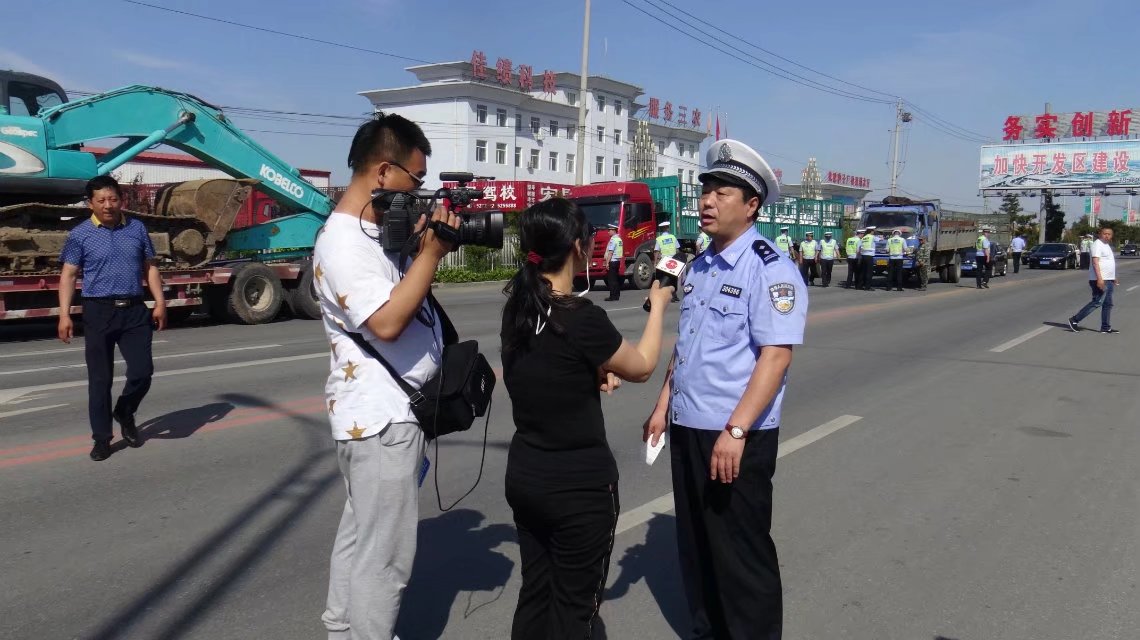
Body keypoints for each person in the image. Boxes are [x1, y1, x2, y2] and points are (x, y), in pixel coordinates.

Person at [644, 139, 807, 640]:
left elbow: (776, 356)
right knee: (696, 544)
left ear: (752, 204)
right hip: (689, 424)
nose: (708, 201)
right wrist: (664, 402)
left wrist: (736, 430)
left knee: (740, 552)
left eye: (723, 192)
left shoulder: (771, 269)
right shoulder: (701, 266)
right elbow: (688, 345)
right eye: (706, 190)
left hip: (735, 433)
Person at [315, 113, 461, 640]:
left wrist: (420, 249)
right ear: (383, 172)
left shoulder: (371, 235)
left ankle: (343, 631)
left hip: (385, 417)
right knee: (386, 560)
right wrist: (434, 253)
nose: (419, 194)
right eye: (415, 181)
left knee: (361, 537)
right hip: (381, 421)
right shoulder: (343, 244)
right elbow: (389, 321)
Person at [501, 198, 673, 639]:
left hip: (527, 476)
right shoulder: (580, 317)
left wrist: (587, 373)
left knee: (536, 594)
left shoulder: (519, 308)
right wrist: (658, 307)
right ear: (579, 247)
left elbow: (544, 371)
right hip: (577, 489)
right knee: (574, 610)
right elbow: (642, 366)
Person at [58, 175, 167, 462]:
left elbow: (150, 268)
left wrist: (160, 301)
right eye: (101, 200)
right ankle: (102, 439)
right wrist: (64, 315)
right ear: (90, 203)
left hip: (134, 310)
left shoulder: (137, 229)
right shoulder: (79, 235)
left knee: (142, 372)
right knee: (100, 380)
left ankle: (125, 411)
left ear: (122, 200)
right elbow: (68, 276)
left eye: (113, 199)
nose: (108, 205)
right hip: (98, 311)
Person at [1068, 227, 1120, 334]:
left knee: (1108, 304)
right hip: (1099, 279)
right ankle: (1075, 320)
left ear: (1112, 236)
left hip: (1108, 279)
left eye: (1109, 234)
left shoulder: (1106, 246)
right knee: (1097, 302)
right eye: (1104, 233)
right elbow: (1095, 262)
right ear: (1100, 234)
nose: (1107, 236)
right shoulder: (1097, 244)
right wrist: (1099, 279)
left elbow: (1108, 262)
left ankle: (1105, 327)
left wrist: (1113, 277)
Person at [654, 221, 681, 301]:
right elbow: (677, 249)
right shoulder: (673, 237)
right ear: (667, 228)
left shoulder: (659, 239)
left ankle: (669, 295)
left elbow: (656, 251)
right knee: (674, 278)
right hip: (673, 260)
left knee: (666, 278)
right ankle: (674, 295)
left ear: (661, 229)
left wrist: (655, 262)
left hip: (664, 261)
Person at [603, 226, 624, 302]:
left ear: (614, 231)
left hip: (612, 261)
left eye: (609, 230)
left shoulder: (613, 240)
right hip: (617, 261)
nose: (608, 232)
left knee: (611, 280)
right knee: (616, 279)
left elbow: (610, 252)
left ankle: (612, 296)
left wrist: (607, 263)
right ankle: (617, 295)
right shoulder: (619, 239)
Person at [860, 225, 877, 291]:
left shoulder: (864, 238)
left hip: (863, 255)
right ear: (872, 231)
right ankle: (868, 287)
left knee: (864, 271)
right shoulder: (872, 237)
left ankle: (862, 285)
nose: (874, 232)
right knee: (869, 272)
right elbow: (881, 239)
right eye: (874, 231)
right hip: (869, 256)